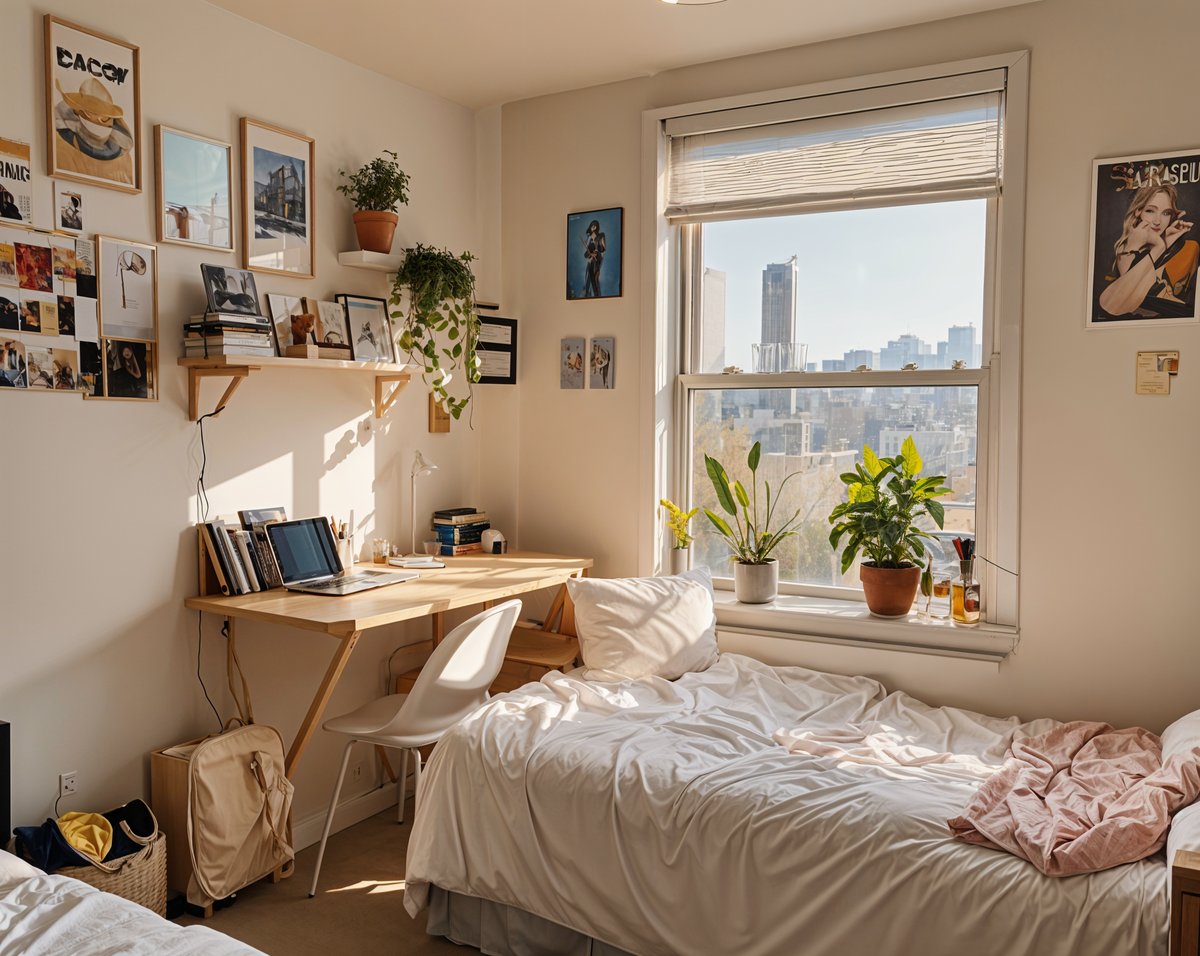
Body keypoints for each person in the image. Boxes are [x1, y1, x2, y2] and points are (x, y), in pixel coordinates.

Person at [1098, 182, 1198, 318]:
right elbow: (1117, 303)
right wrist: (1159, 247)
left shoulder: (1188, 247)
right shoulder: (1126, 249)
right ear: (1138, 211)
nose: (1158, 221)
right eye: (1150, 210)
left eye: (1166, 213)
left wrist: (1164, 243)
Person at [581, 219, 605, 297]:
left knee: (595, 281)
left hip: (596, 262)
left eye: (595, 226)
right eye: (592, 225)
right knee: (587, 281)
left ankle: (596, 296)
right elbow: (586, 254)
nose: (593, 227)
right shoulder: (589, 238)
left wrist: (596, 253)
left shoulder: (601, 235)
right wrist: (590, 253)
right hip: (590, 263)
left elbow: (602, 249)